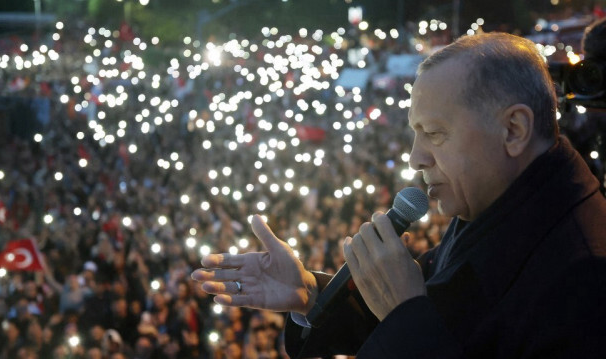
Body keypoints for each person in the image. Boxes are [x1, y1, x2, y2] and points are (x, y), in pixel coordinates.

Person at [192, 32, 606, 358]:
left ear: (513, 130)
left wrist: (405, 317)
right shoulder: (492, 203)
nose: (415, 157)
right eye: (414, 133)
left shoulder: (586, 279)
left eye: (434, 134)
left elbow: (421, 322)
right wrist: (311, 294)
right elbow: (440, 315)